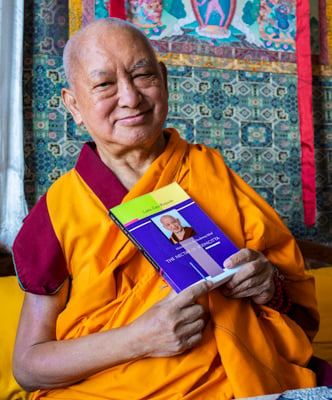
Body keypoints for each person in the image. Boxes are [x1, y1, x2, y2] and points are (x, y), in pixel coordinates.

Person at [12, 17, 319, 400]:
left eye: (142, 76)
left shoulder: (210, 172)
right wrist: (138, 339)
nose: (130, 97)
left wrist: (266, 282)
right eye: (105, 84)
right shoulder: (59, 209)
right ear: (73, 104)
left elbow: (294, 309)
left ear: (164, 80)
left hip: (244, 385)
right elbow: (28, 365)